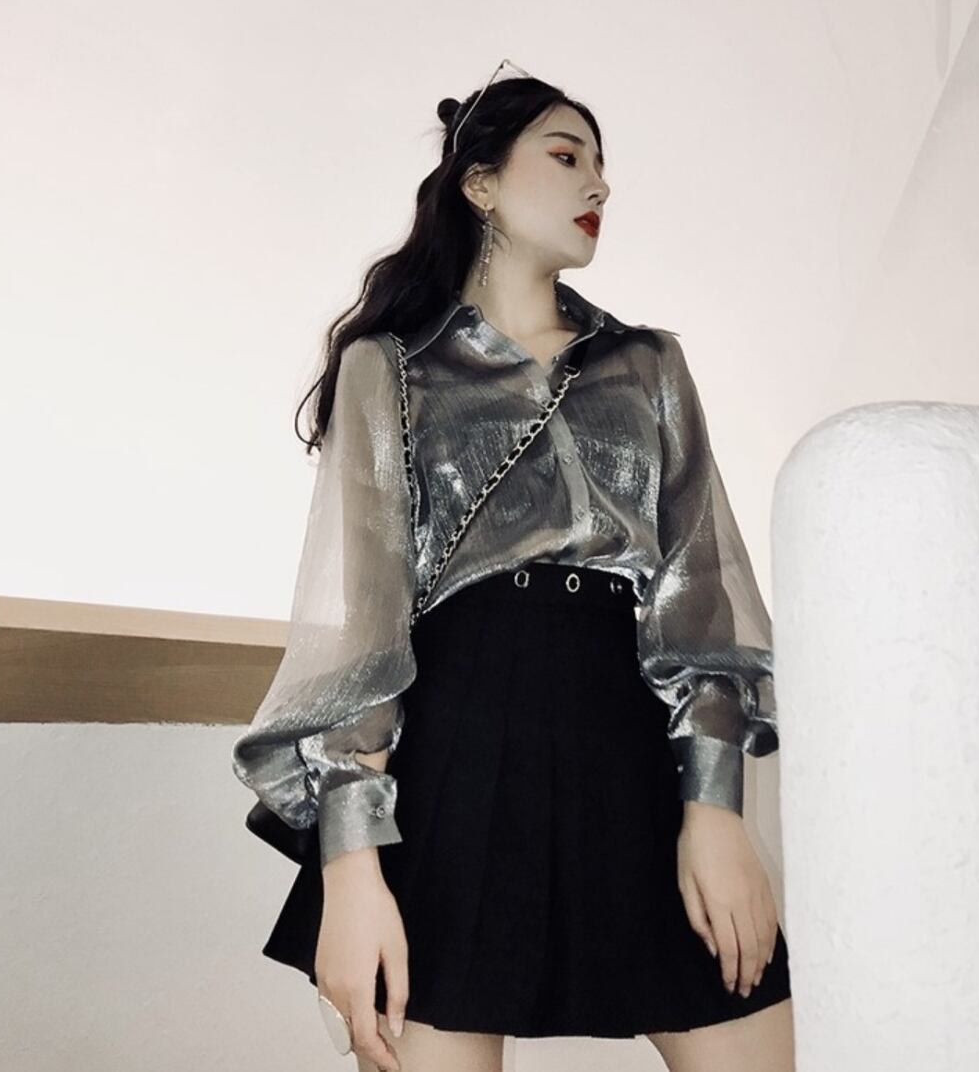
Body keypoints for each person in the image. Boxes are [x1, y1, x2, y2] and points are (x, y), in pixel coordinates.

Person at [231, 60, 794, 1072]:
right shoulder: (390, 367)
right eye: (567, 156)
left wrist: (715, 808)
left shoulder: (648, 365)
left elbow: (698, 596)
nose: (598, 184)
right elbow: (367, 635)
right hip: (454, 761)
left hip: (631, 750)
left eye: (603, 166)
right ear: (480, 183)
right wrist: (352, 872)